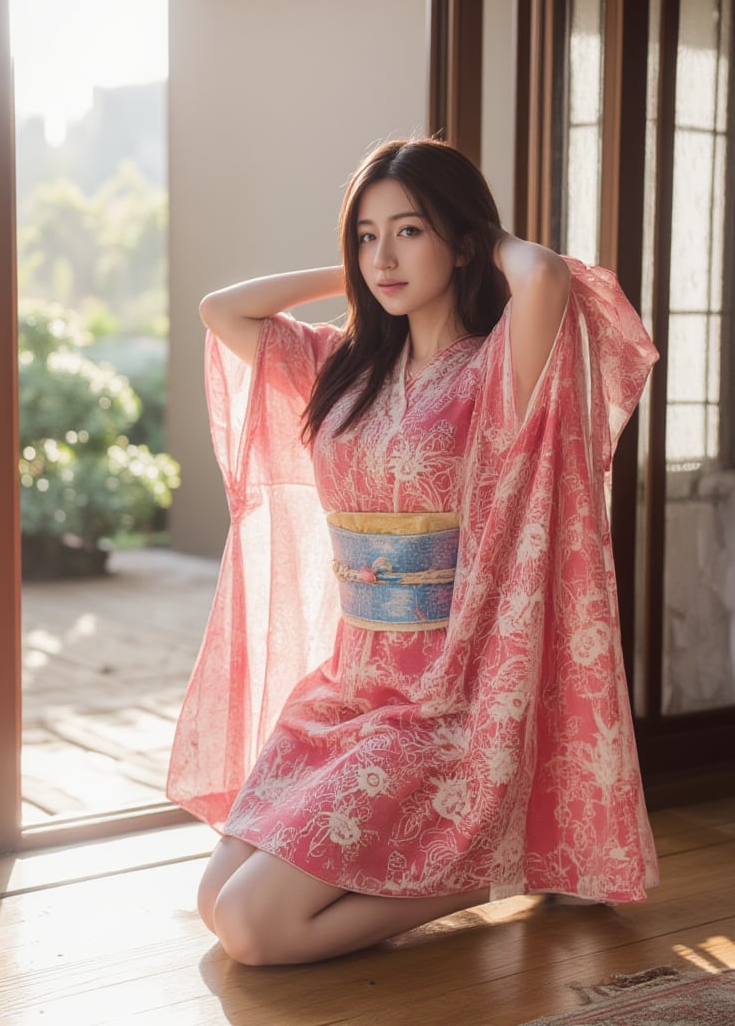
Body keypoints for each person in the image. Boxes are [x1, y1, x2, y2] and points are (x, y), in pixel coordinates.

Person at [168, 137, 660, 967]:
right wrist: (357, 274)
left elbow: (543, 277)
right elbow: (224, 308)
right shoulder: (343, 366)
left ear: (462, 241)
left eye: (410, 232)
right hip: (345, 691)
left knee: (254, 930)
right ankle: (487, 859)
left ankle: (486, 870)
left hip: (445, 697)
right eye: (367, 235)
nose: (383, 256)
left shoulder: (495, 369)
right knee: (215, 902)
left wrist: (477, 236)